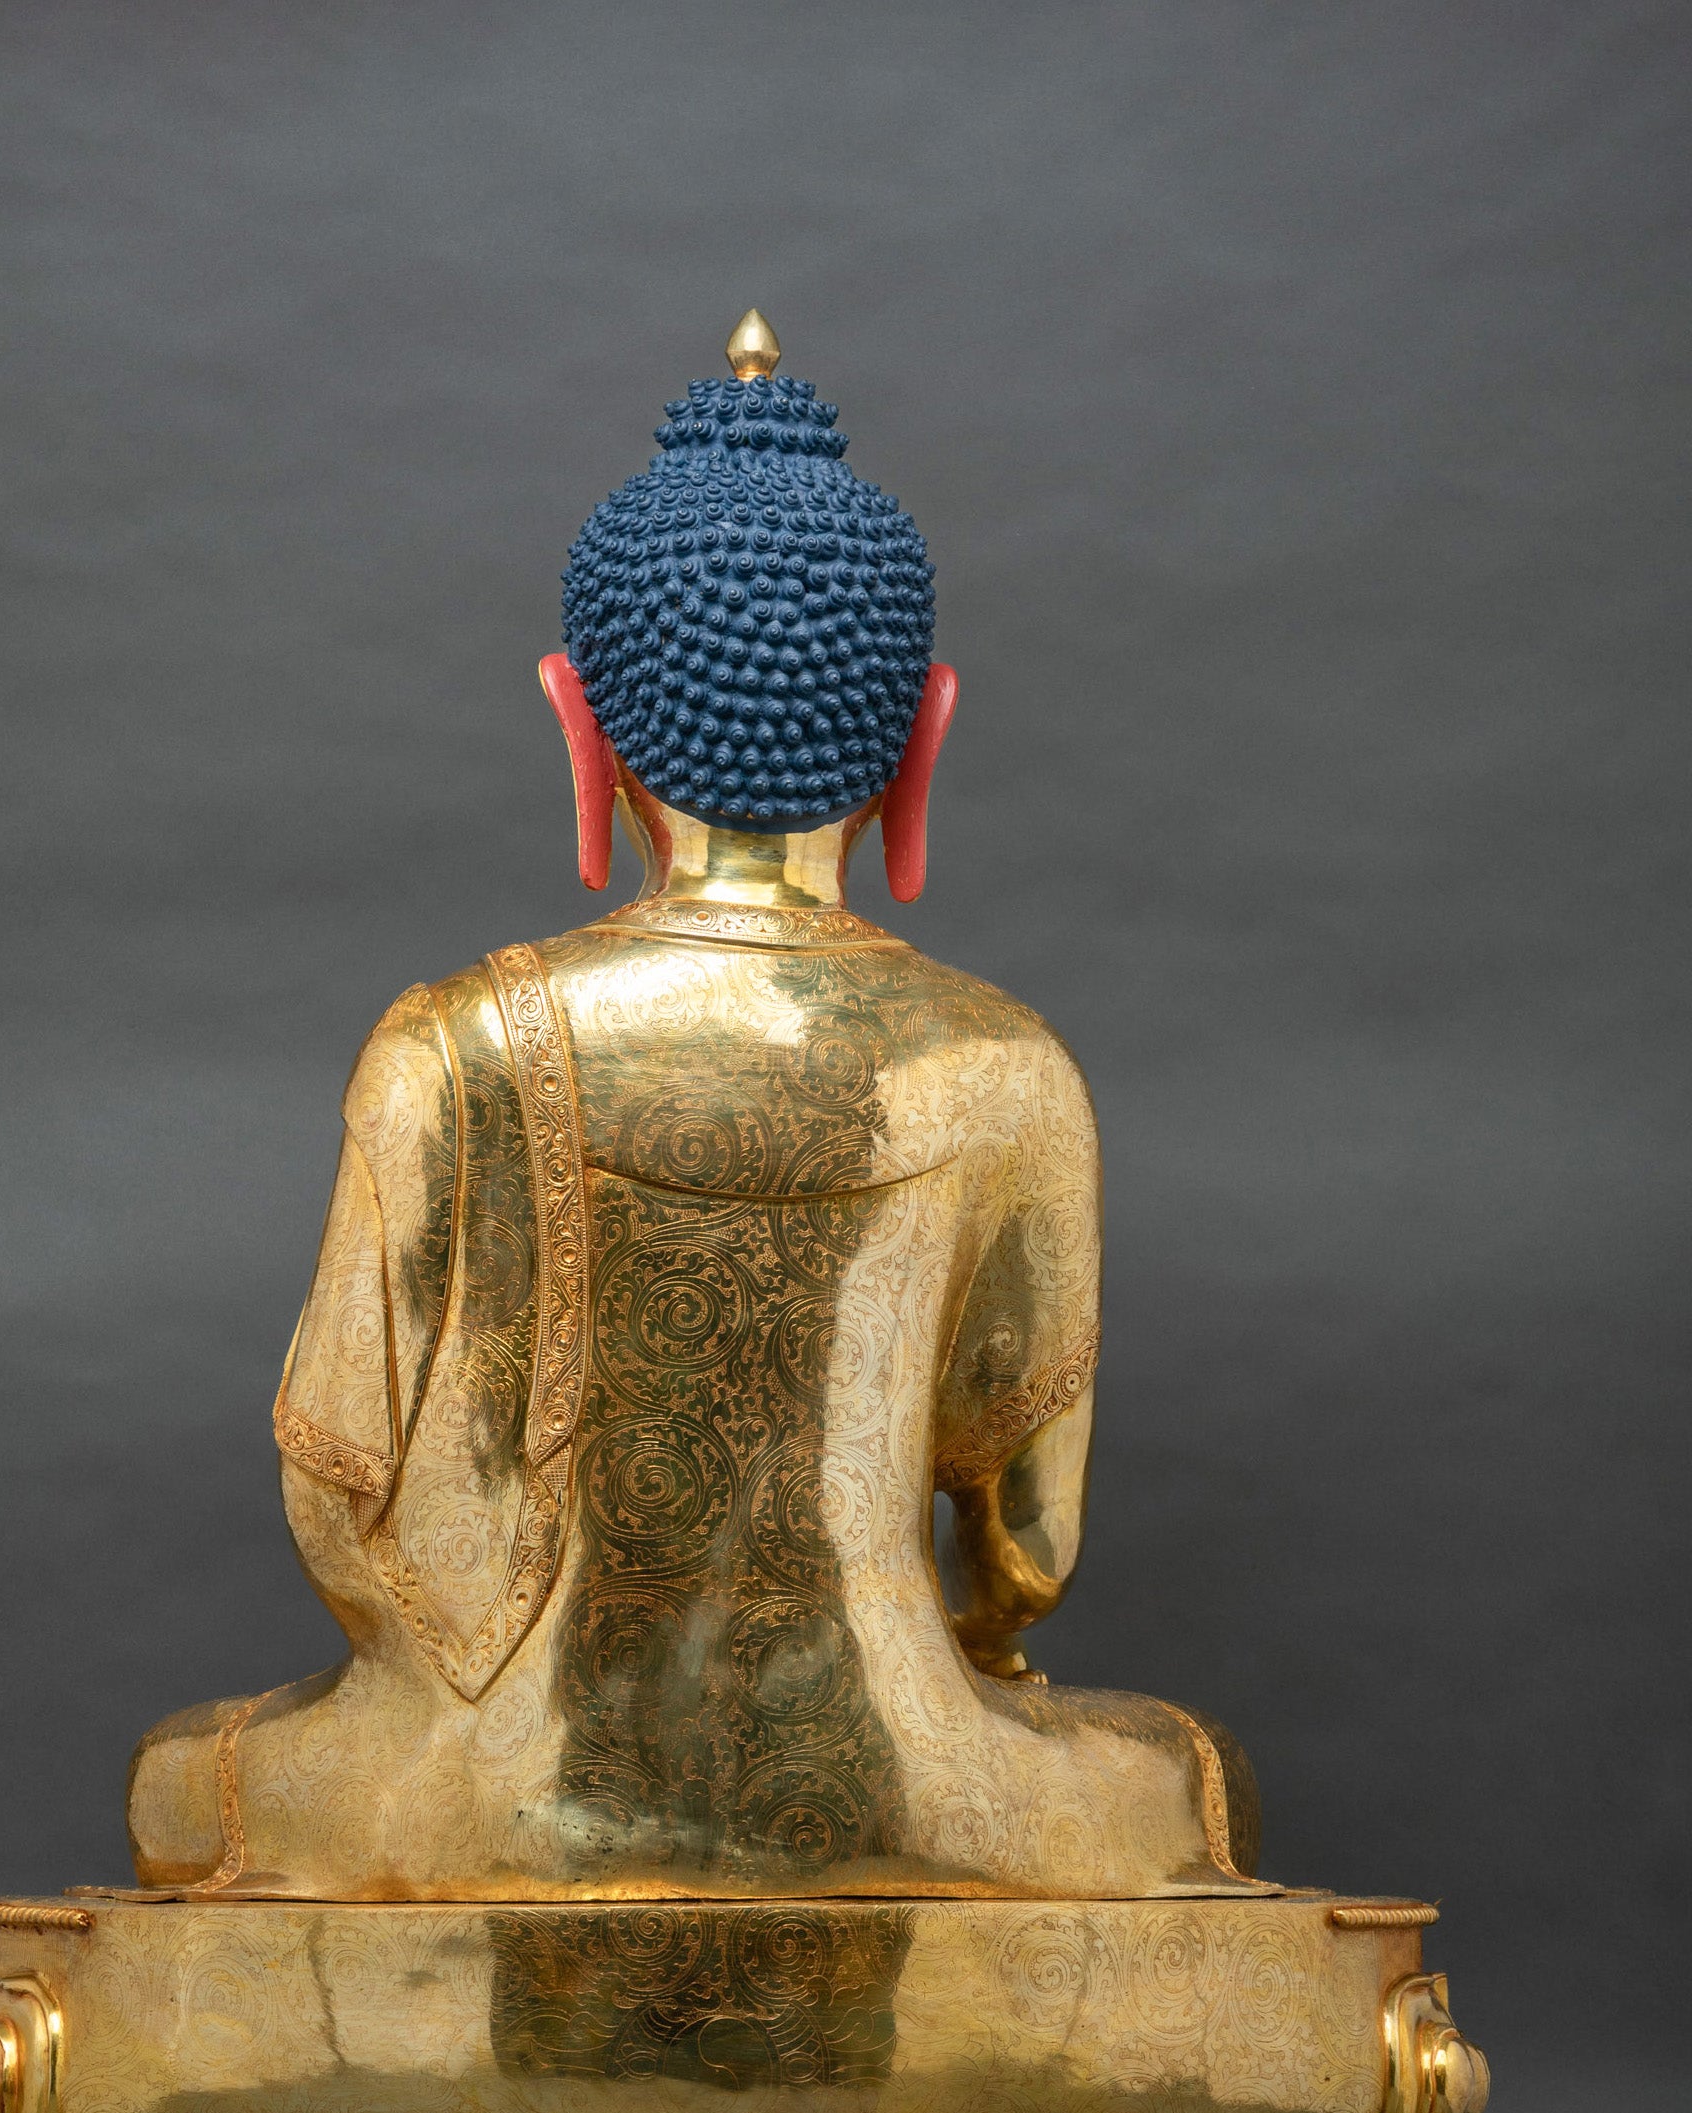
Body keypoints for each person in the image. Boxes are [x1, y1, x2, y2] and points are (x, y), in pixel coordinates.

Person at [128, 318, 1263, 1902]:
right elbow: (1024, 1558)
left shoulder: (448, 1046)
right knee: (1192, 1784)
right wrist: (950, 1668)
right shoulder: (1008, 1068)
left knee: (182, 1783)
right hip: (909, 1786)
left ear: (577, 726)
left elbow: (338, 1496)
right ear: (924, 735)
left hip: (489, 1785)